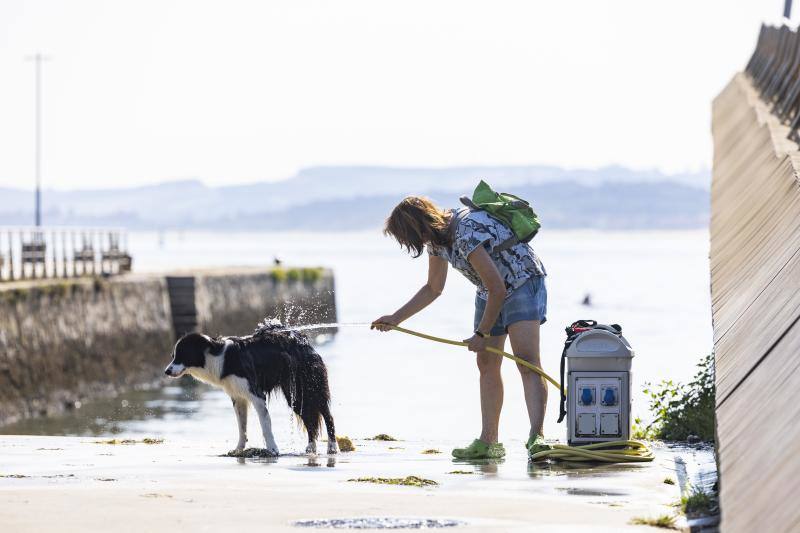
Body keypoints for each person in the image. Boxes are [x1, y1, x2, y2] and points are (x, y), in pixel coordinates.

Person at [371, 196, 550, 460]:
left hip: (522, 280)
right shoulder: (435, 240)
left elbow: (498, 287)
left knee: (526, 360)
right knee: (487, 363)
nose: (415, 244)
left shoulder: (465, 232)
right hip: (489, 290)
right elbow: (434, 287)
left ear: (420, 225)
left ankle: (537, 437)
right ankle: (489, 442)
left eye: (410, 237)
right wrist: (396, 318)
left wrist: (482, 333)